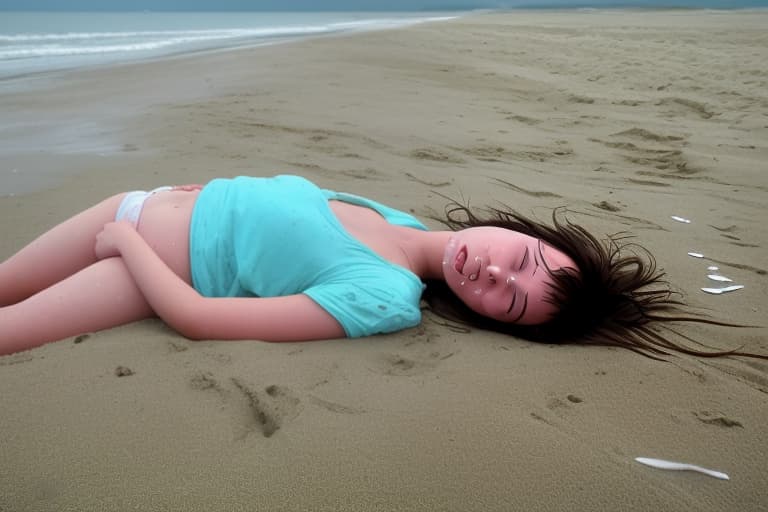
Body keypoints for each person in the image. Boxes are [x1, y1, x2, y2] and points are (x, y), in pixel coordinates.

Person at [0, 174, 763, 360]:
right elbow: (267, 204)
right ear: (519, 227)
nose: (496, 274)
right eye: (521, 258)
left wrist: (129, 246)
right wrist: (169, 198)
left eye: (508, 301)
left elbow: (202, 320)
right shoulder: (393, 218)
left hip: (143, 267)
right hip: (134, 201)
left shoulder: (386, 297)